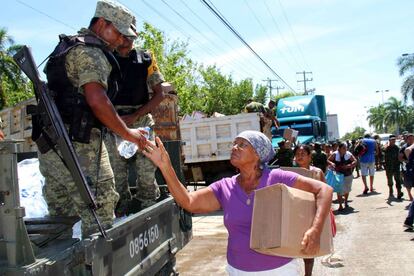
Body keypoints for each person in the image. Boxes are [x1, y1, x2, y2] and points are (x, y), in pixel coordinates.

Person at [144, 130, 333, 275]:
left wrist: (315, 230)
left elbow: (324, 190)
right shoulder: (224, 187)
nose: (234, 147)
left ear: (258, 154)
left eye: (242, 144)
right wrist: (165, 166)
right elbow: (188, 201)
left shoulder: (276, 177)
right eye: (234, 144)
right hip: (237, 270)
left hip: (278, 270)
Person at [39, 0, 147, 236]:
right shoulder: (92, 52)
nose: (120, 39)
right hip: (81, 147)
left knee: (61, 217)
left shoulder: (67, 46)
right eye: (118, 32)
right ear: (100, 23)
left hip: (50, 145)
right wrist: (128, 134)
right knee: (101, 212)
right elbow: (97, 100)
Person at [105, 28, 165, 216]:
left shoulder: (146, 58)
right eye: (125, 36)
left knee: (147, 171)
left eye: (133, 37)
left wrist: (134, 116)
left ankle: (148, 207)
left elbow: (160, 93)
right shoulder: (104, 57)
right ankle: (123, 213)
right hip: (114, 122)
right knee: (117, 175)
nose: (129, 40)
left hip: (141, 120)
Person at [294, 144, 326, 276]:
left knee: (308, 246)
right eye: (297, 154)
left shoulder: (317, 172)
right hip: (296, 212)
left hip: (311, 212)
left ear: (309, 156)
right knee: (293, 244)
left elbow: (325, 192)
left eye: (303, 154)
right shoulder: (291, 173)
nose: (299, 156)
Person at [328, 142, 357, 210]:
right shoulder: (334, 154)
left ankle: (346, 201)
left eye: (346, 148)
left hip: (348, 174)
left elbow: (355, 161)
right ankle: (340, 205)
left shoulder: (348, 154)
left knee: (347, 189)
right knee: (339, 189)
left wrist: (350, 165)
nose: (345, 149)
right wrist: (332, 163)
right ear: (340, 148)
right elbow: (328, 160)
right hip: (338, 175)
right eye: (344, 148)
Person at [399, 133, 414, 201]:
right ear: (407, 139)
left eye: (412, 139)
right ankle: (409, 194)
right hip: (407, 167)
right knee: (408, 183)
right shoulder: (404, 147)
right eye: (410, 139)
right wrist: (406, 161)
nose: (411, 140)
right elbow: (400, 158)